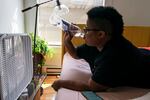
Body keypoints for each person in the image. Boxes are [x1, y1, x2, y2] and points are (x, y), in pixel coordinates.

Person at [52, 6, 150, 92]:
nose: (84, 32)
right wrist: (67, 42)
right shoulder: (98, 43)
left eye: (87, 29)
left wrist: (61, 83)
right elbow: (75, 54)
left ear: (100, 34)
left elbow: (91, 86)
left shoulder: (112, 57)